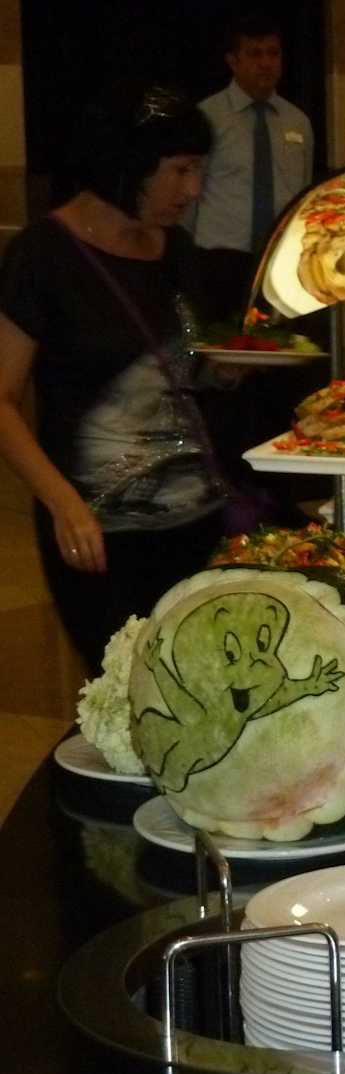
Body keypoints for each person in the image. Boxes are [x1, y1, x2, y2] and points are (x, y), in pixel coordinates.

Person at [0, 84, 238, 674]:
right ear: (127, 164)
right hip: (98, 533)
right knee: (123, 688)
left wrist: (224, 369)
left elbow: (188, 372)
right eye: (180, 169)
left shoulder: (176, 251)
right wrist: (62, 503)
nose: (193, 190)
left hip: (195, 524)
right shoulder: (43, 256)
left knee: (198, 687)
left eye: (199, 170)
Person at [189, 12, 313, 253]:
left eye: (273, 53)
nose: (266, 63)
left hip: (279, 254)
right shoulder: (207, 116)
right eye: (255, 54)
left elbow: (304, 195)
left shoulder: (299, 122)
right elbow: (188, 197)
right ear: (232, 61)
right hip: (218, 256)